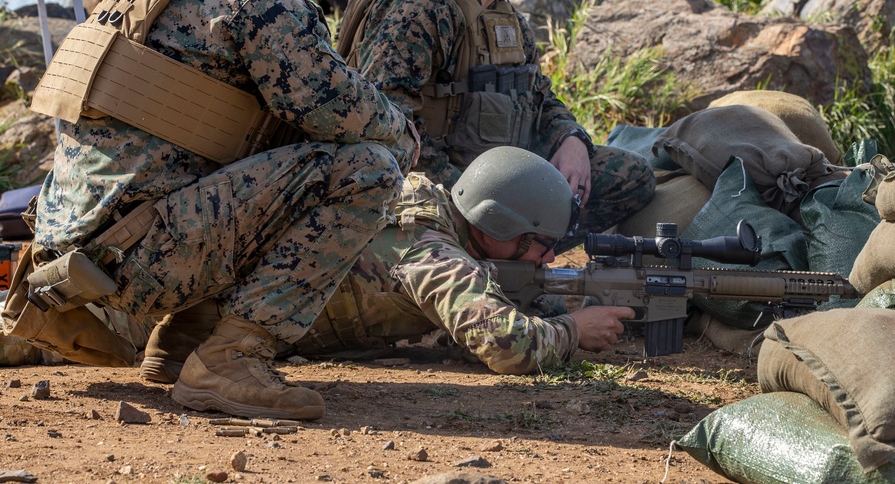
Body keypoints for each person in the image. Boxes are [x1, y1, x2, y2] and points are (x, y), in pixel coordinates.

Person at [4, 0, 418, 421]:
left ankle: (183, 345)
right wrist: (403, 133)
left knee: (274, 150)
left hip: (80, 261)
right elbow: (337, 110)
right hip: (134, 265)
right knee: (368, 168)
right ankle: (229, 360)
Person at [348, 0, 655, 250]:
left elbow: (540, 96)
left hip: (506, 183)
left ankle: (521, 262)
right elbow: (383, 131)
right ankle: (500, 262)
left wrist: (571, 139)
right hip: (437, 193)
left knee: (630, 176)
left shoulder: (503, 12)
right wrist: (474, 199)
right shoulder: (422, 6)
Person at [140, 147, 636, 378]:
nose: (549, 257)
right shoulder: (430, 251)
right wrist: (574, 329)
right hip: (159, 323)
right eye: (539, 244)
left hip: (194, 295)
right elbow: (508, 347)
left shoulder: (425, 201)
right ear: (496, 226)